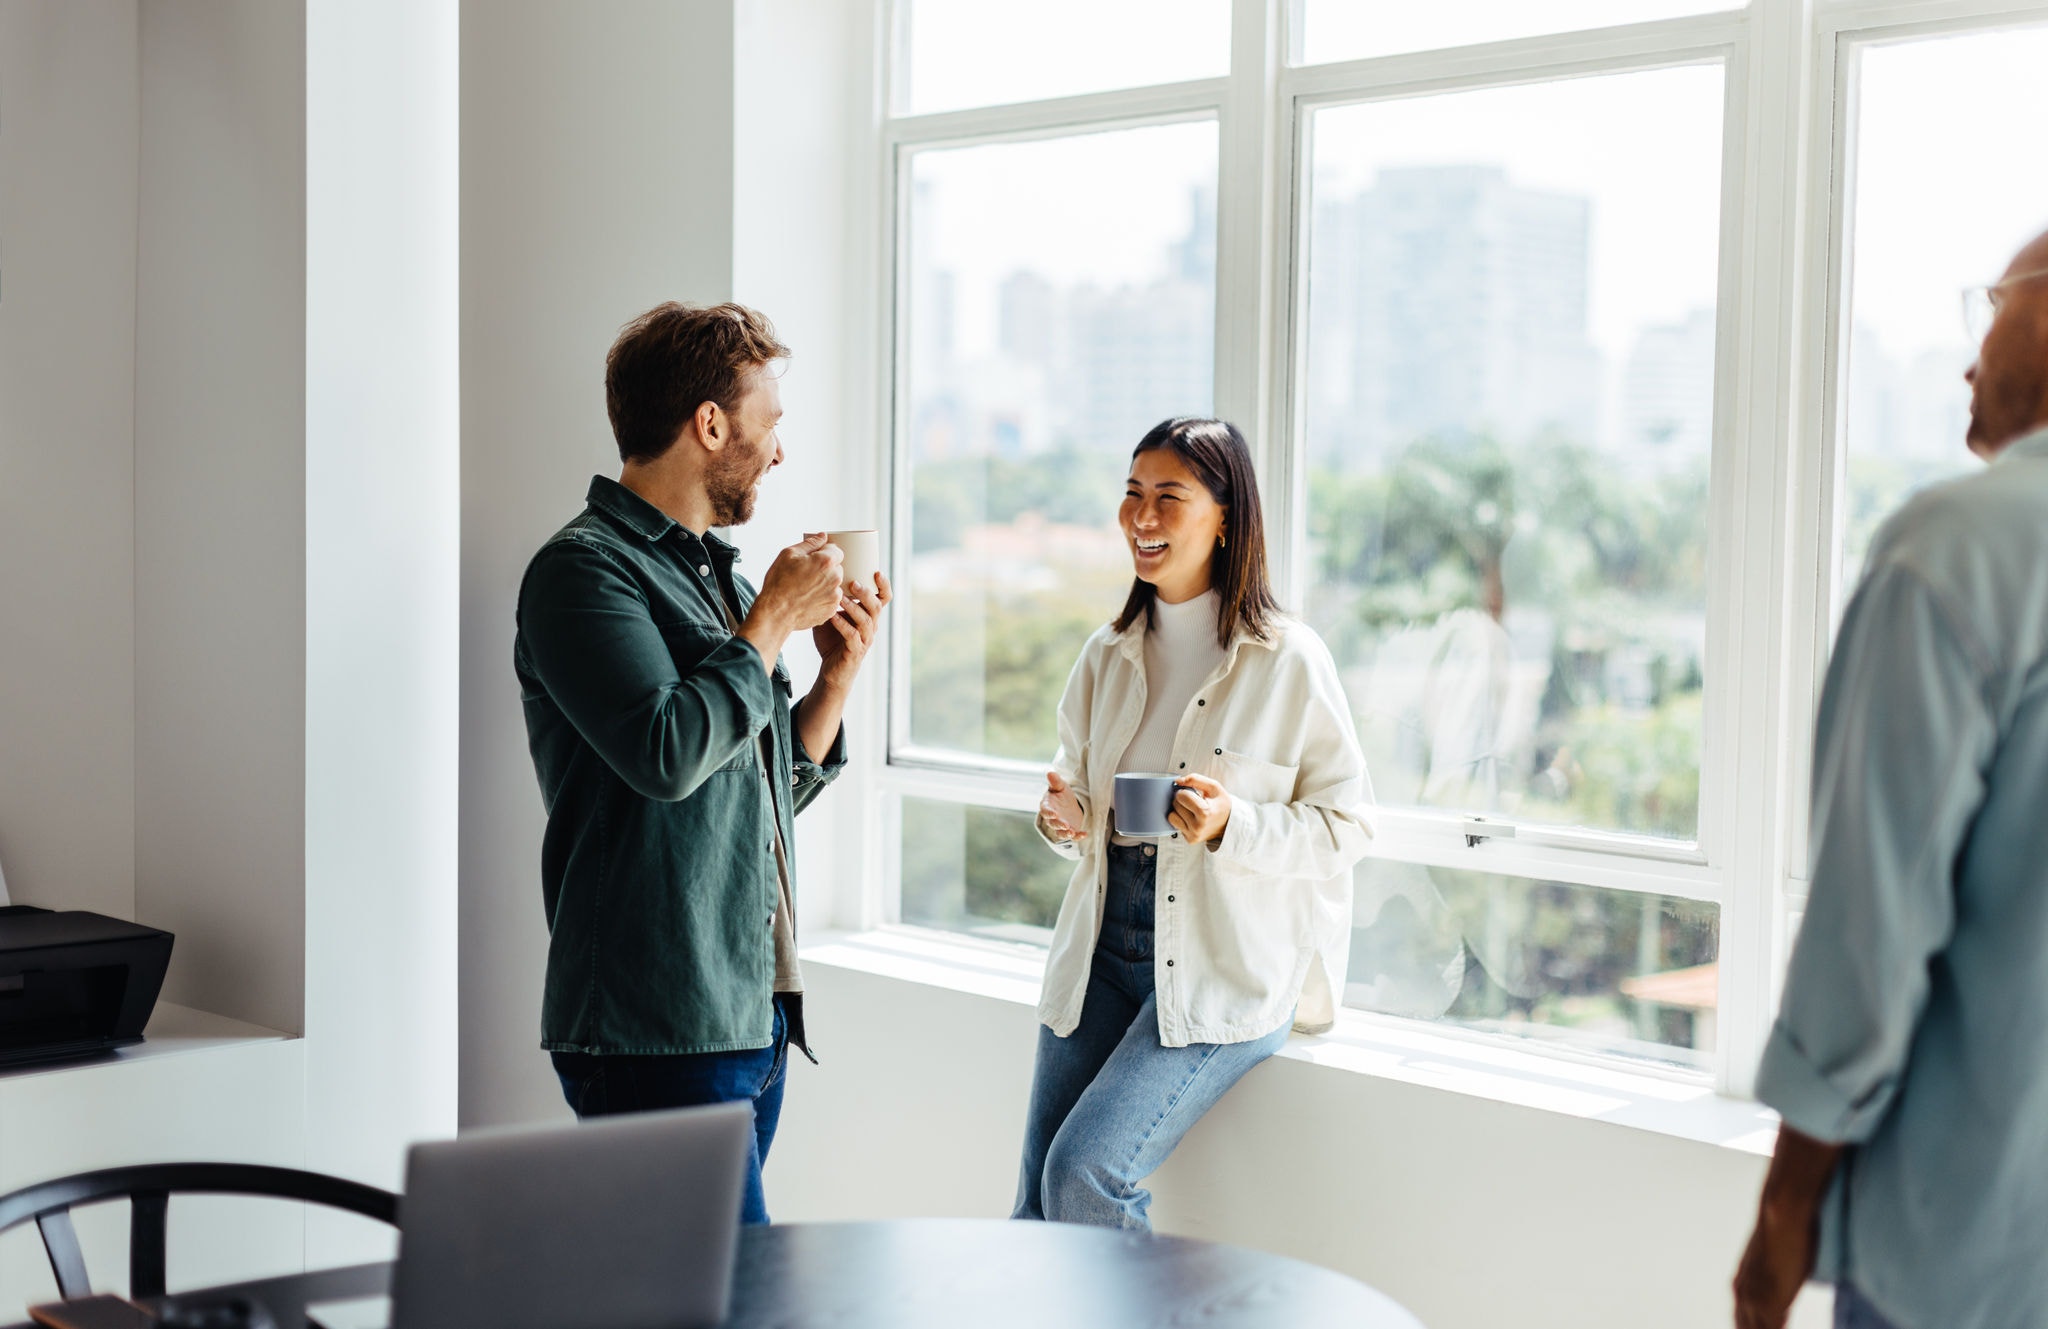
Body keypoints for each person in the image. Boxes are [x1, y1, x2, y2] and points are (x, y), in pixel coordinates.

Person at [514, 301, 888, 1225]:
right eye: (771, 422)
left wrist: (834, 680)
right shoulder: (581, 572)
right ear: (710, 423)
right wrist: (767, 626)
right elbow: (666, 751)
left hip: (749, 1008)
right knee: (720, 1301)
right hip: (654, 1022)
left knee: (689, 1295)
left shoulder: (716, 572)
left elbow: (753, 795)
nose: (778, 450)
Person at [1735, 228, 2048, 1329]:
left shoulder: (1962, 546)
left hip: (1965, 1254)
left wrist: (1781, 1219)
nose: (1970, 358)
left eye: (1991, 306)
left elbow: (1866, 940)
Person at [1013, 416, 1374, 1229]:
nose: (1141, 517)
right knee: (1034, 1201)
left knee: (1083, 1174)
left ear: (1225, 518)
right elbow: (1076, 792)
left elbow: (1348, 823)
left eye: (1168, 497)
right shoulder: (1106, 654)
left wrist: (1231, 824)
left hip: (1226, 960)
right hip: (1104, 945)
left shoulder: (1289, 660)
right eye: (1132, 494)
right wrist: (1065, 815)